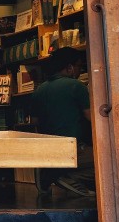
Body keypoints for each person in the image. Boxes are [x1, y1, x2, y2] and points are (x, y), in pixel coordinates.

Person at [31, 47, 95, 197]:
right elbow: (90, 117)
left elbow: (34, 121)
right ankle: (70, 178)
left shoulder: (39, 90)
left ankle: (49, 174)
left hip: (49, 149)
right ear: (70, 67)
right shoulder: (77, 86)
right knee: (108, 158)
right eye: (80, 66)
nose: (80, 70)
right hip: (74, 148)